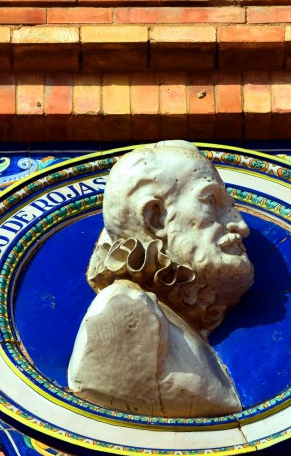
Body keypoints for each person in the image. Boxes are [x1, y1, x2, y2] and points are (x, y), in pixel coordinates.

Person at [67, 141, 254, 418]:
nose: (241, 225)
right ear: (155, 218)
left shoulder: (175, 319)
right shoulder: (126, 311)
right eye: (210, 201)